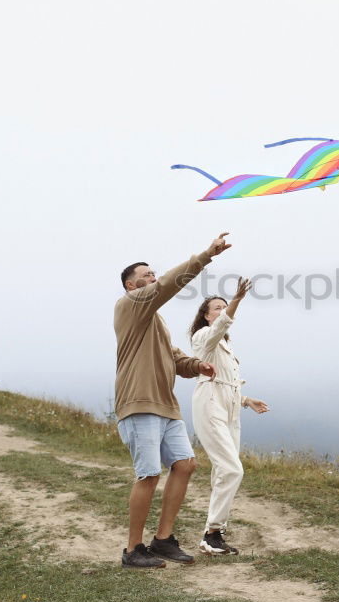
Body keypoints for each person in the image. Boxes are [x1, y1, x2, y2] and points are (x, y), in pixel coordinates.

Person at [114, 232, 231, 569]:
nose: (153, 277)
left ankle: (162, 540)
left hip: (166, 406)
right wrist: (206, 255)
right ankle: (132, 549)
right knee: (149, 474)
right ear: (132, 287)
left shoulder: (155, 321)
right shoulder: (129, 306)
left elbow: (175, 358)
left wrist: (197, 366)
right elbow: (167, 285)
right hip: (140, 402)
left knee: (185, 465)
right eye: (146, 276)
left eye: (154, 273)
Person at [189, 277, 269, 555]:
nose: (222, 311)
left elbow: (229, 382)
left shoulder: (226, 346)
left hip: (231, 407)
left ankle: (213, 533)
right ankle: (212, 533)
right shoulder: (203, 338)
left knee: (223, 470)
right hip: (210, 404)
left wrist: (247, 400)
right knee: (233, 468)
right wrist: (236, 301)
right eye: (216, 308)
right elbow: (222, 325)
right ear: (205, 315)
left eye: (224, 306)